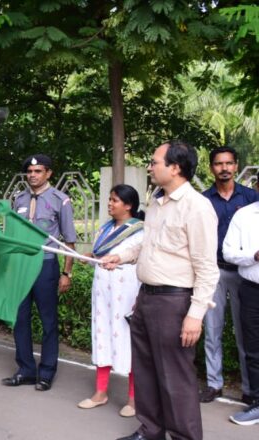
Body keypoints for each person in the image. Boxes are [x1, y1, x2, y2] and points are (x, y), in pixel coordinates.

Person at [102, 140, 218, 440]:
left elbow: (207, 267)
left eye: (155, 162)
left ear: (175, 167)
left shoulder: (197, 207)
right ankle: (150, 430)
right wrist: (122, 255)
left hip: (174, 302)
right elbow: (147, 243)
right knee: (146, 372)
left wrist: (195, 314)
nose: (150, 167)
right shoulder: (157, 201)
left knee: (175, 379)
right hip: (147, 298)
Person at [1, 154, 76, 392]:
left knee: (48, 321)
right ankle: (25, 370)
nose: (33, 175)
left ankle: (46, 373)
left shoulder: (60, 200)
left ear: (48, 173)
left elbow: (69, 241)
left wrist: (67, 273)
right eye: (30, 172)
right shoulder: (19, 199)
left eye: (38, 171)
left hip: (45, 265)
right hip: (21, 266)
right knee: (20, 318)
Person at [77, 184, 144, 417]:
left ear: (128, 205)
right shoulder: (105, 228)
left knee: (129, 340)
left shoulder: (139, 231)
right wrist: (90, 257)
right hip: (103, 292)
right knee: (102, 335)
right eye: (109, 199)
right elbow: (100, 254)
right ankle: (100, 392)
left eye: (114, 200)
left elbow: (137, 258)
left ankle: (134, 399)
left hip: (127, 292)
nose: (109, 203)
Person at [200, 146, 258, 404]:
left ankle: (249, 388)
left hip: (244, 275)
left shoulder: (249, 199)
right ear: (211, 167)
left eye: (228, 163)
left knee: (245, 333)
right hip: (213, 270)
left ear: (236, 166)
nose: (224, 168)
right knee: (212, 330)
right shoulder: (203, 201)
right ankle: (214, 383)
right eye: (218, 164)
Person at [223, 178, 259, 426]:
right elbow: (228, 252)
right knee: (253, 349)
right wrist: (254, 255)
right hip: (252, 290)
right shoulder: (244, 216)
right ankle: (256, 403)